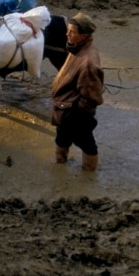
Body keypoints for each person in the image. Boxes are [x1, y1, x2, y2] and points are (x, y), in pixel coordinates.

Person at [51, 12, 104, 171]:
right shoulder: (78, 47)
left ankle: (88, 176)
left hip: (74, 114)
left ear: (84, 36)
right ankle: (60, 169)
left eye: (72, 32)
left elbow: (91, 99)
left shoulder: (88, 62)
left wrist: (76, 115)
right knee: (61, 140)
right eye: (68, 30)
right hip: (64, 109)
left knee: (87, 144)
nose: (67, 34)